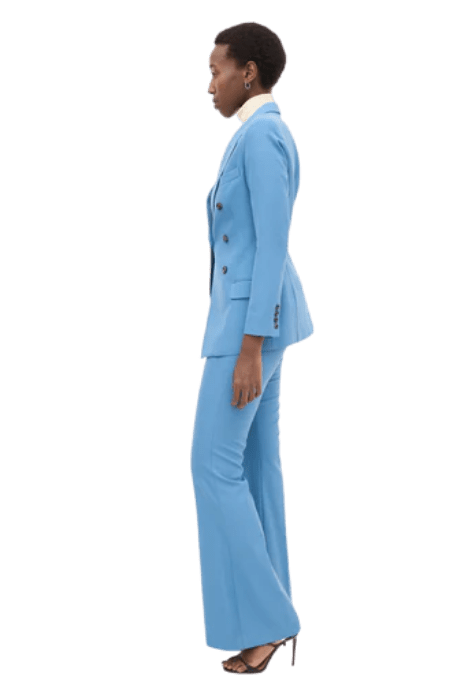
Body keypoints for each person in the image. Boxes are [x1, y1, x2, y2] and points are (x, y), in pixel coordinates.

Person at [190, 21, 315, 675]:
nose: (209, 83)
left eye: (217, 71)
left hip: (248, 330)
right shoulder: (257, 134)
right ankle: (275, 615)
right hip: (253, 323)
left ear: (250, 72)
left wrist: (247, 347)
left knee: (212, 467)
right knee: (259, 470)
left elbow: (270, 245)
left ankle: (268, 622)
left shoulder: (262, 137)